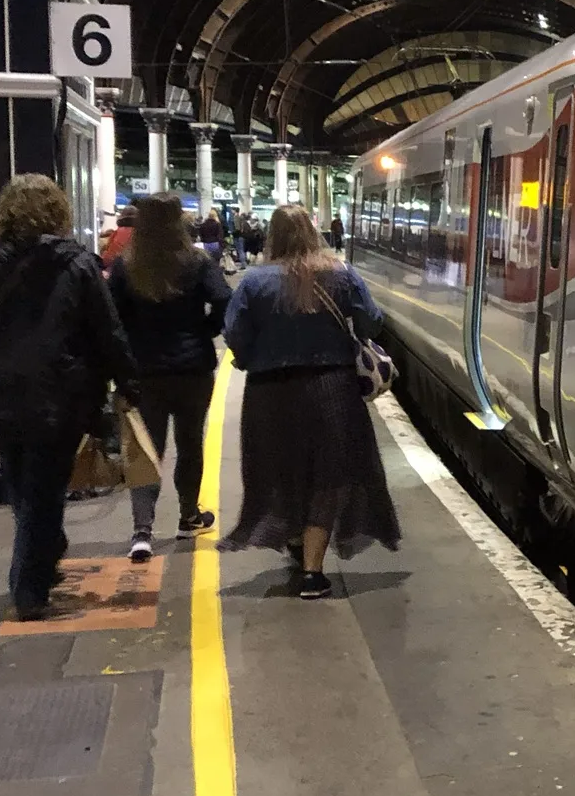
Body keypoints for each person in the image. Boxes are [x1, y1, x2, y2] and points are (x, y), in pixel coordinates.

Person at [0, 174, 137, 621]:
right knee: (42, 490)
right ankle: (30, 587)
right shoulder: (77, 265)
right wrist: (129, 385)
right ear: (58, 212)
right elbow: (106, 331)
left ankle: (45, 555)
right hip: (60, 393)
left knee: (23, 483)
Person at [221, 204, 399, 598]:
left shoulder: (254, 281)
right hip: (331, 389)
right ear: (312, 232)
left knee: (282, 471)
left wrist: (255, 359)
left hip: (270, 394)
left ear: (272, 235)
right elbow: (371, 322)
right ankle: (313, 572)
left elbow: (234, 334)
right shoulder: (340, 273)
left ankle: (298, 544)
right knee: (327, 476)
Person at [108, 194, 233, 562]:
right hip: (193, 368)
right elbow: (225, 299)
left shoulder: (126, 265)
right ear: (179, 221)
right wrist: (205, 329)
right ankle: (188, 516)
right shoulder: (197, 261)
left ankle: (142, 532)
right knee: (191, 444)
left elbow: (110, 317)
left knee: (148, 450)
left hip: (144, 371)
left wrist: (128, 347)